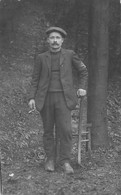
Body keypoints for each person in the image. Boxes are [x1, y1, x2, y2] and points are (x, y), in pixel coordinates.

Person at [28, 26, 88, 174]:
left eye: (57, 38)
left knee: (66, 130)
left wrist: (82, 87)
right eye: (52, 38)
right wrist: (31, 97)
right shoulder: (41, 57)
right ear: (48, 40)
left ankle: (65, 161)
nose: (55, 41)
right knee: (48, 131)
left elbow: (83, 71)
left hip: (64, 98)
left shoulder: (69, 55)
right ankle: (50, 159)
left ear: (62, 40)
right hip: (46, 98)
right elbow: (34, 79)